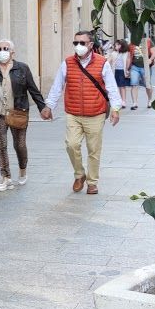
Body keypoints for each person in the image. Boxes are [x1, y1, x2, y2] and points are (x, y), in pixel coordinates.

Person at [42, 30, 124, 195]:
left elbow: (112, 88)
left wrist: (115, 109)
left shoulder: (102, 63)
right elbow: (57, 86)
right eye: (76, 43)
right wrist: (48, 105)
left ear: (91, 45)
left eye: (82, 43)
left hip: (96, 113)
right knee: (71, 145)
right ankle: (79, 175)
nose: (78, 46)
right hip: (73, 113)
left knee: (94, 149)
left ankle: (92, 182)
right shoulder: (67, 63)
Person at [0, 39, 46, 191]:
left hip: (18, 112)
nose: (2, 51)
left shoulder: (22, 69)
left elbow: (33, 90)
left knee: (19, 145)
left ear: (12, 52)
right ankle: (6, 178)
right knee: (0, 147)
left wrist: (42, 108)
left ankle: (23, 169)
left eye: (5, 48)